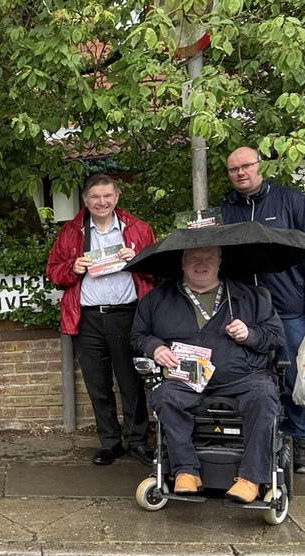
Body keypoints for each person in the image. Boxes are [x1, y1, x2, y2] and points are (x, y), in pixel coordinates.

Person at [130, 246, 285, 503]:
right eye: (194, 258)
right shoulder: (158, 299)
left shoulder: (248, 297)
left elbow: (276, 337)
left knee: (264, 394)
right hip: (185, 379)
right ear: (182, 262)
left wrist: (250, 334)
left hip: (242, 377)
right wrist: (155, 347)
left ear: (219, 262)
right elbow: (138, 335)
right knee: (164, 396)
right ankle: (186, 471)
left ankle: (251, 479)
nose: (201, 264)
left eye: (209, 258)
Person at [219, 146, 305, 474]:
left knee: (294, 377)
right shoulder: (225, 210)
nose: (240, 173)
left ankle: (299, 442)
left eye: (246, 166)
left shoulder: (292, 202)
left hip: (289, 310)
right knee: (251, 375)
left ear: (260, 167)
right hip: (242, 311)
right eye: (233, 169)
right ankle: (260, 437)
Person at [46, 174, 156, 466]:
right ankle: (110, 443)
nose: (102, 202)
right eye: (95, 197)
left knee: (131, 383)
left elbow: (157, 271)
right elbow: (54, 273)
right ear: (85, 200)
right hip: (89, 318)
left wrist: (138, 258)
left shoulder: (138, 229)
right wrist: (73, 267)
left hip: (128, 315)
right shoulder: (71, 232)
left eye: (107, 196)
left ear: (117, 197)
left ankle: (137, 442)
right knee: (98, 385)